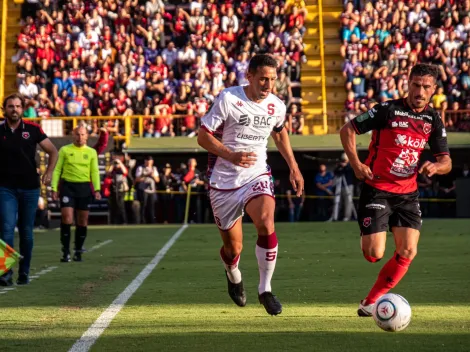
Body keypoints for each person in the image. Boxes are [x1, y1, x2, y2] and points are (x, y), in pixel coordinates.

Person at [339, 63, 452, 317]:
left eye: (425, 87)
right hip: (377, 189)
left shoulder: (433, 119)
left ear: (433, 90)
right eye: (415, 85)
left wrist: (436, 166)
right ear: (408, 83)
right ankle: (371, 231)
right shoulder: (387, 110)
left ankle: (370, 301)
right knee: (373, 254)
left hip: (407, 193)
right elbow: (347, 129)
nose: (419, 91)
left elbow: (447, 162)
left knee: (409, 250)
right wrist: (356, 164)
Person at [197, 54, 304, 316]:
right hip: (223, 181)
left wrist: (294, 166)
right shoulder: (229, 98)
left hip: (256, 175)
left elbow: (279, 132)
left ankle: (265, 290)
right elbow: (203, 137)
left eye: (273, 80)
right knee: (233, 248)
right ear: (250, 76)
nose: (268, 85)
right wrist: (231, 155)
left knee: (266, 222)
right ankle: (233, 275)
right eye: (263, 79)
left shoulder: (277, 105)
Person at [0, 93, 58, 286]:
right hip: (5, 188)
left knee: (26, 232)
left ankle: (24, 272)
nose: (14, 109)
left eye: (18, 106)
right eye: (10, 106)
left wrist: (49, 173)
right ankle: (5, 273)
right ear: (4, 109)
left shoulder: (33, 129)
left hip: (30, 188)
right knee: (6, 230)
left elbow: (53, 151)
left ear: (22, 109)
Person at [51, 126, 101, 262]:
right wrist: (54, 188)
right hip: (68, 187)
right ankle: (65, 251)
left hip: (84, 187)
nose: (80, 137)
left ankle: (78, 250)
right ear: (73, 135)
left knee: (82, 220)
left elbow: (94, 171)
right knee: (67, 218)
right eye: (77, 134)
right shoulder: (65, 150)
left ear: (87, 136)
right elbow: (57, 170)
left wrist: (97, 189)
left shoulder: (91, 152)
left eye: (83, 135)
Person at [135, 156, 159, 224]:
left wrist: (153, 175)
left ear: (152, 162)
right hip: (143, 190)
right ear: (145, 161)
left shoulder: (154, 169)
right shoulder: (140, 168)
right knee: (143, 206)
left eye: (150, 161)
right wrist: (146, 175)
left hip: (151, 190)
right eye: (147, 160)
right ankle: (142, 221)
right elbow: (137, 179)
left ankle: (152, 221)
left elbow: (157, 180)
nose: (148, 162)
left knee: (152, 206)